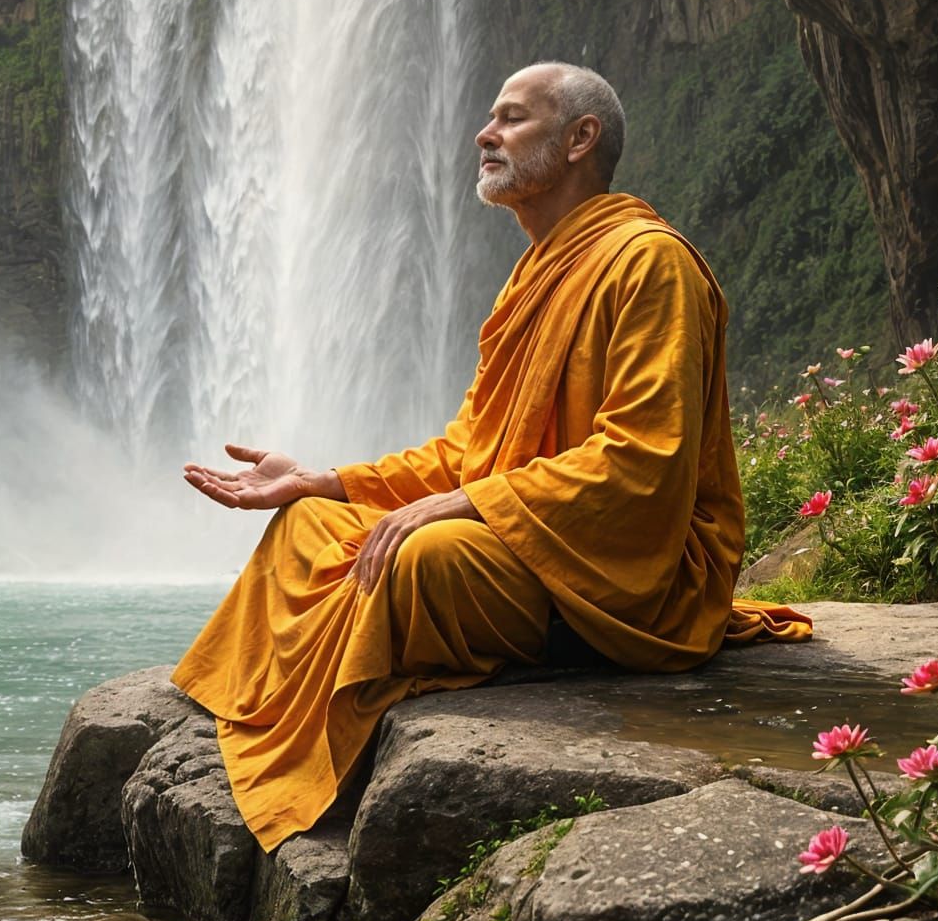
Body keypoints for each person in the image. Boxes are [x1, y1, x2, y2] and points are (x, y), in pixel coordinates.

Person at [173, 61, 811, 852]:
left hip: (620, 572)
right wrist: (325, 479)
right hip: (526, 540)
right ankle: (318, 664)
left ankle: (453, 656)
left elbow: (645, 461)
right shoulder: (534, 273)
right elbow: (469, 450)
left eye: (511, 118)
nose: (484, 133)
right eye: (490, 118)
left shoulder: (652, 263)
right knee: (311, 520)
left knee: (421, 557)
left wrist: (473, 502)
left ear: (581, 139)